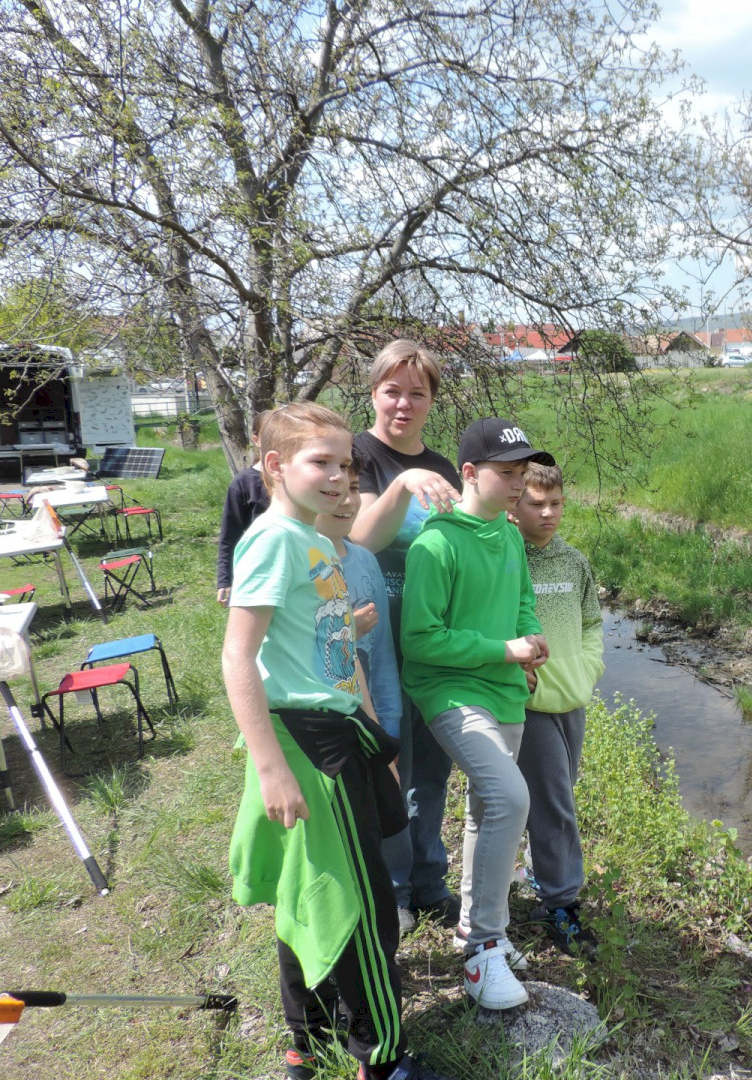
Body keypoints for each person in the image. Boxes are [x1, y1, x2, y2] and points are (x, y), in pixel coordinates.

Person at [222, 401, 448, 1080]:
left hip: (342, 730)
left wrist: (373, 722)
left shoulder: (316, 541)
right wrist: (271, 768)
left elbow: (316, 644)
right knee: (364, 907)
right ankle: (383, 1059)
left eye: (346, 464)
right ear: (274, 466)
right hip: (311, 744)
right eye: (320, 461)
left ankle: (310, 1035)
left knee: (310, 890)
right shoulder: (273, 540)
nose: (338, 477)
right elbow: (238, 657)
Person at [400, 417, 552, 1010]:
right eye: (506, 472)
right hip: (451, 692)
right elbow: (420, 641)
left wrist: (530, 636)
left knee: (487, 809)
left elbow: (522, 600)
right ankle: (484, 949)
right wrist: (503, 650)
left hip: (505, 688)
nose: (518, 484)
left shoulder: (509, 535)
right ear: (469, 472)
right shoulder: (435, 544)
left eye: (522, 472)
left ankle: (473, 924)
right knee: (511, 797)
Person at [349, 340, 462, 931]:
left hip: (433, 641)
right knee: (389, 767)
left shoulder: (445, 467)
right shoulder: (356, 455)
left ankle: (429, 880)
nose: (404, 404)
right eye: (392, 390)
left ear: (431, 401)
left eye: (417, 393)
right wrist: (401, 485)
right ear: (374, 393)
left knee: (433, 769)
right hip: (373, 640)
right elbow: (361, 538)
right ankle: (390, 889)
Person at [507, 461, 604, 955]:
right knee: (554, 802)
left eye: (556, 503)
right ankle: (560, 904)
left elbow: (592, 623)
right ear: (514, 504)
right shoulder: (506, 557)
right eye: (536, 503)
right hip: (528, 703)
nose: (548, 513)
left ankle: (533, 872)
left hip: (572, 698)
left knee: (557, 791)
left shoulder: (574, 562)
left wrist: (586, 669)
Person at [315, 464, 410, 897]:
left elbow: (383, 653)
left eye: (355, 488)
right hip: (326, 726)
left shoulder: (366, 561)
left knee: (387, 804)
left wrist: (390, 725)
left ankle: (395, 892)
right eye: (335, 490)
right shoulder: (302, 563)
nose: (347, 500)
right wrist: (346, 631)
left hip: (374, 715)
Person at [216, 410, 271, 605]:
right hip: (261, 570)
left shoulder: (299, 477)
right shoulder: (243, 483)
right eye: (270, 434)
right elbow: (230, 535)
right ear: (256, 440)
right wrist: (225, 579)